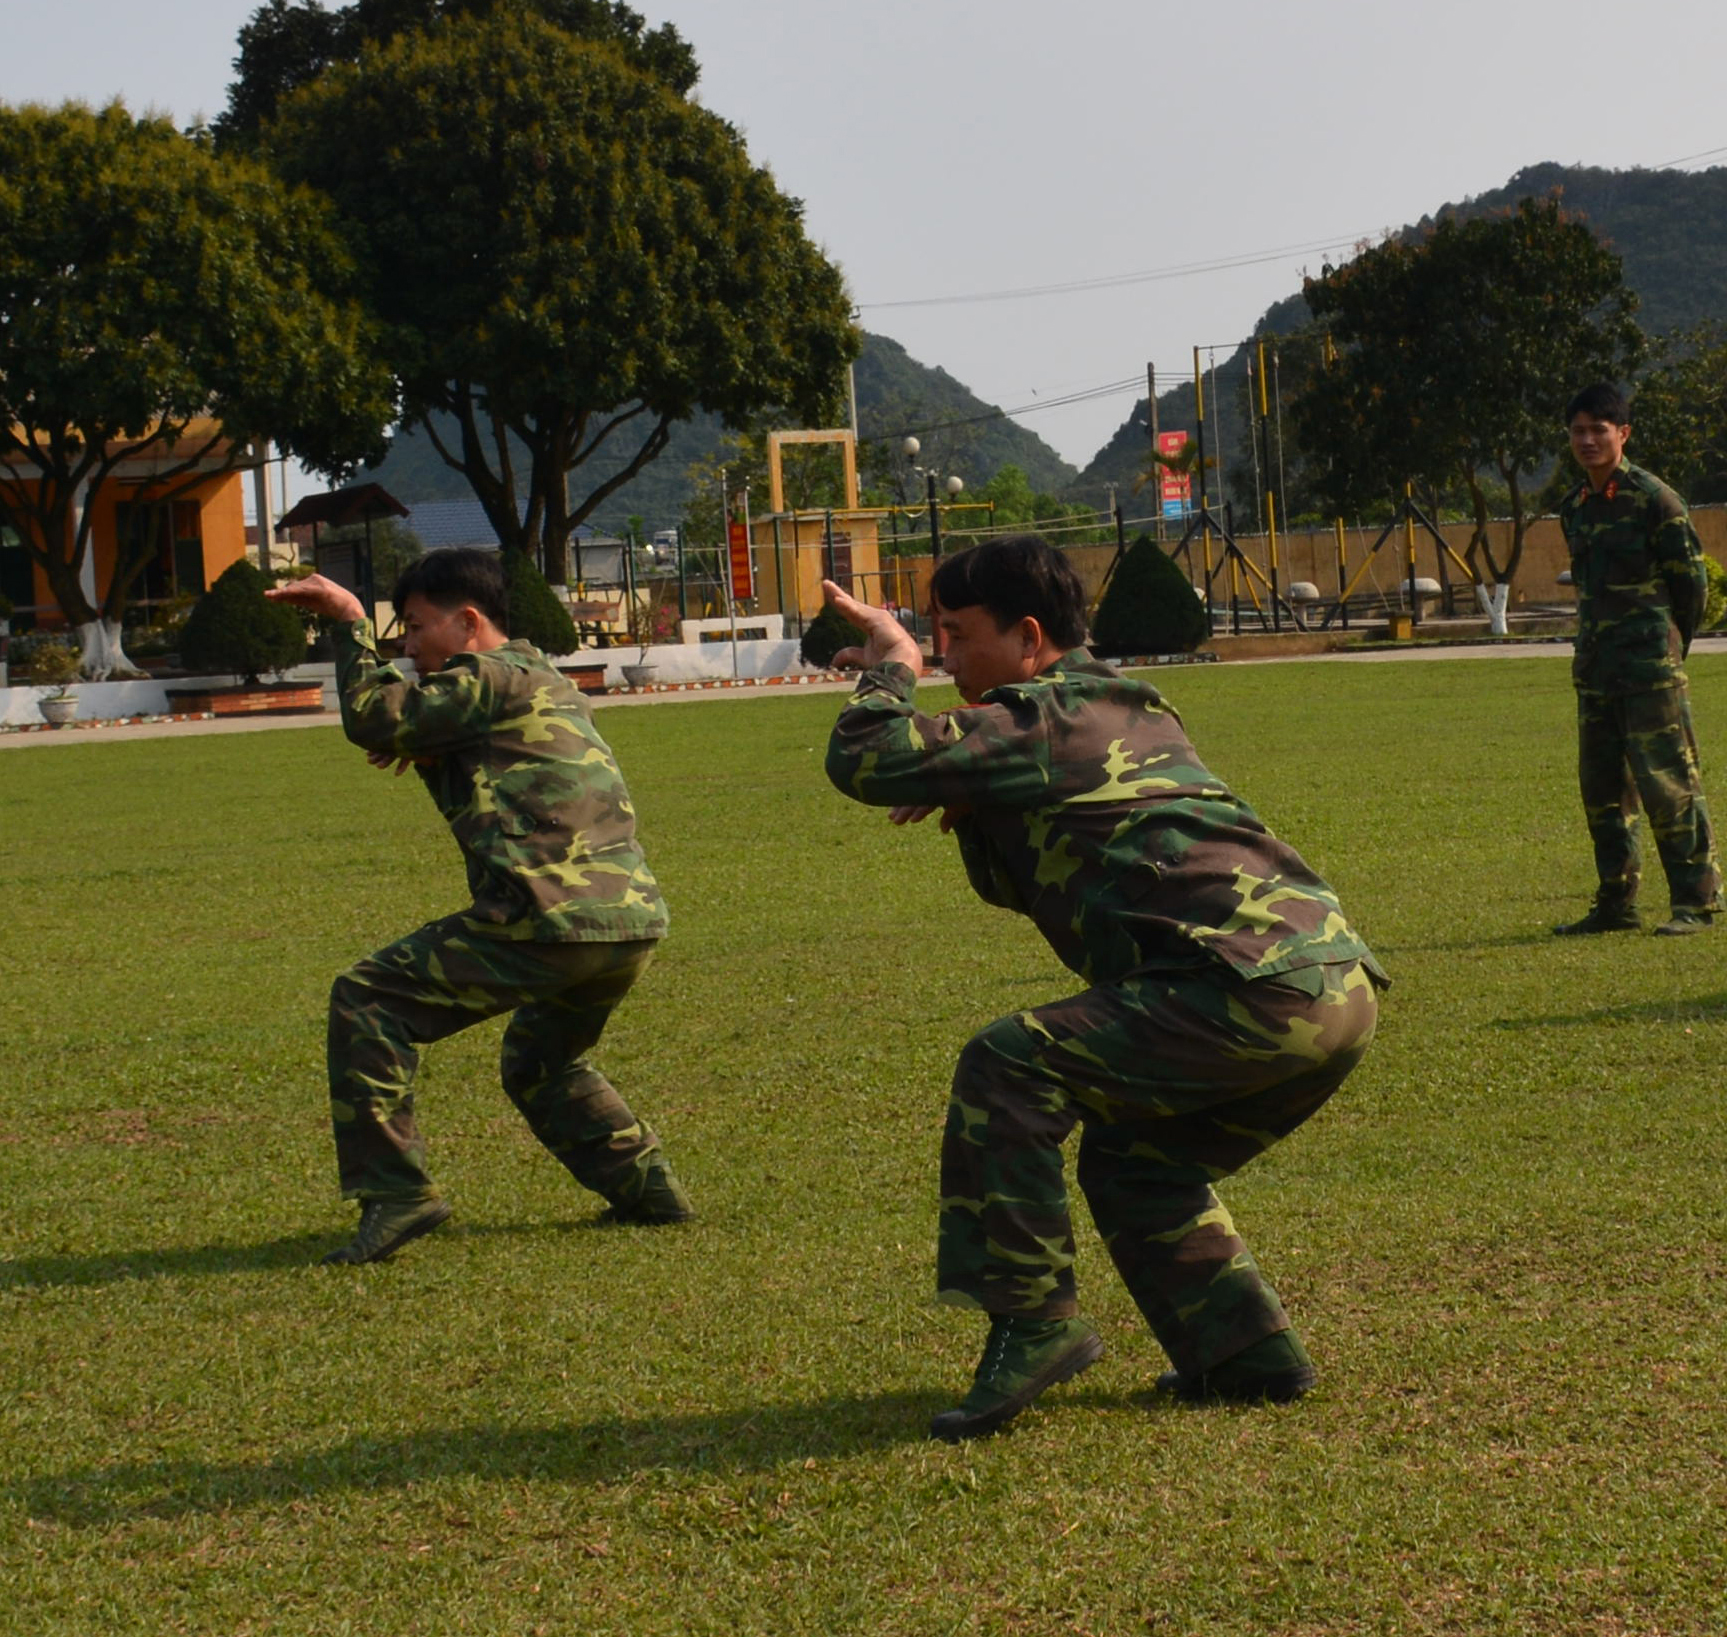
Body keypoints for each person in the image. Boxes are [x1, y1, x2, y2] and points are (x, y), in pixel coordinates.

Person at [815, 541, 1378, 1441]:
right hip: (1326, 984)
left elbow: (864, 758)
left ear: (1029, 635)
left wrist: (892, 665)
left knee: (1008, 1063)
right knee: (1135, 1158)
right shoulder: (1119, 702)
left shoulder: (1038, 717)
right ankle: (1243, 1353)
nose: (946, 657)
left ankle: (1036, 1320)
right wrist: (976, 799)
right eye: (933, 639)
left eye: (954, 636)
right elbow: (1035, 878)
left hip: (1247, 990)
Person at [267, 549, 685, 1265]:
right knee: (541, 1063)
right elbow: (456, 739)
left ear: (468, 621)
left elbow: (374, 715)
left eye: (417, 625)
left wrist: (348, 620)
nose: (405, 642)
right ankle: (649, 1191)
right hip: (625, 921)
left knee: (367, 999)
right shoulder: (533, 675)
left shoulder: (485, 675)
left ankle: (397, 1194)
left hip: (549, 917)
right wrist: (429, 743)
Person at [1551, 381, 1722, 935]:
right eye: (1578, 431)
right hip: (1597, 671)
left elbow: (1691, 586)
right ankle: (1616, 904)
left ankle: (1695, 903)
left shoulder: (1656, 500)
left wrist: (1670, 648)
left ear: (1622, 434)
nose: (1587, 440)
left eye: (1598, 430)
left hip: (1650, 671)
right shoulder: (1573, 508)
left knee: (1668, 786)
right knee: (1603, 793)